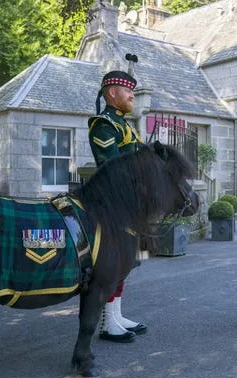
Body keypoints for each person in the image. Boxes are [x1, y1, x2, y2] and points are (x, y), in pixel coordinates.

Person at [87, 66, 147, 342]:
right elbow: (111, 166)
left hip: (127, 203)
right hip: (110, 203)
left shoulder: (125, 125)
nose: (132, 96)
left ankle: (116, 315)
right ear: (112, 93)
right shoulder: (104, 124)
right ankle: (106, 322)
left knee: (125, 263)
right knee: (113, 263)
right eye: (128, 91)